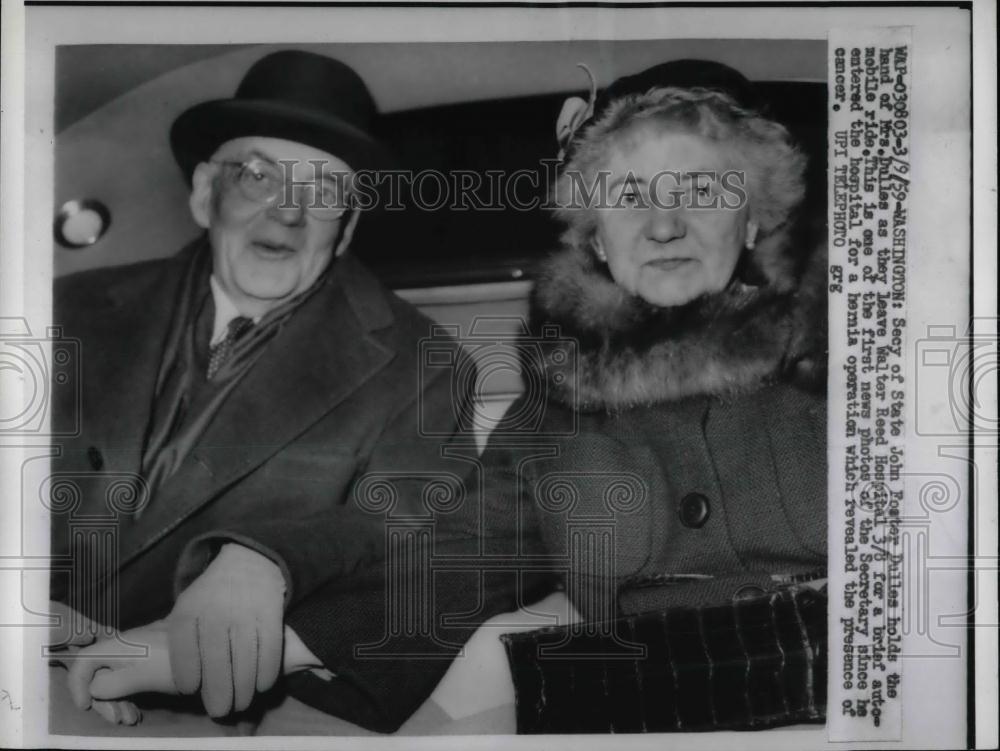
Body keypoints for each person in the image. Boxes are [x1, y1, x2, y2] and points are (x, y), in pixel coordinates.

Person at [47, 50, 502, 734]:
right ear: (205, 192)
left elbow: (413, 528)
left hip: (183, 711)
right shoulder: (62, 309)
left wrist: (268, 561)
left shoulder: (424, 364)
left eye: (323, 190)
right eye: (257, 174)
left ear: (346, 225)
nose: (288, 211)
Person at [486, 60, 828, 732]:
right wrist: (271, 581)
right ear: (595, 238)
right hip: (643, 714)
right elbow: (459, 547)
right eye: (628, 195)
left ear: (753, 221)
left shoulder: (855, 348)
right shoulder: (556, 392)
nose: (664, 225)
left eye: (700, 191)